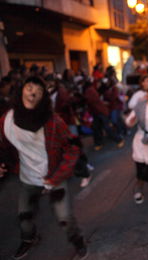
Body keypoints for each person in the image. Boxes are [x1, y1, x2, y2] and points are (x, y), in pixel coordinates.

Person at [0, 76, 88, 259]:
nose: (33, 93)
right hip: (27, 179)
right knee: (24, 217)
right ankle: (29, 239)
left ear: (43, 98)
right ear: (21, 89)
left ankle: (78, 242)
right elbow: (4, 147)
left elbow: (73, 147)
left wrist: (58, 176)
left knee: (64, 217)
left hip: (53, 177)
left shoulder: (54, 122)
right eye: (30, 87)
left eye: (39, 91)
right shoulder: (6, 120)